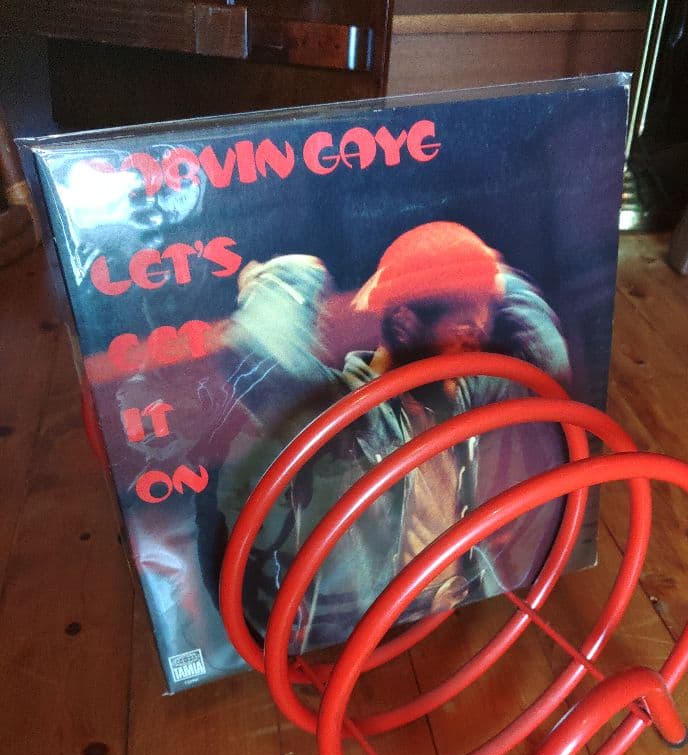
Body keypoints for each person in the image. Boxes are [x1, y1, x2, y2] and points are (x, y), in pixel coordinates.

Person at [216, 221, 571, 652]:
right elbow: (257, 352)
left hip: (460, 608)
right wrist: (292, 275)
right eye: (465, 333)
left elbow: (546, 364)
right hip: (369, 634)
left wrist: (494, 276)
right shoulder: (346, 413)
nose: (478, 350)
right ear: (404, 325)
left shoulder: (460, 393)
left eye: (482, 333)